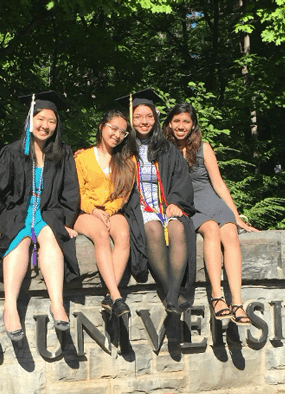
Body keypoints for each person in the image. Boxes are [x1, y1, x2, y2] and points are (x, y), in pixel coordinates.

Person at [0, 91, 80, 341]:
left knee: (51, 237)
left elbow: (70, 189)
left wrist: (67, 222)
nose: (45, 126)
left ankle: (57, 304)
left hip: (48, 212)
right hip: (16, 211)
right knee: (19, 241)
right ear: (30, 119)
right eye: (40, 119)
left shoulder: (63, 153)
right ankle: (10, 307)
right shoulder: (12, 152)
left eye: (51, 121)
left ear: (57, 126)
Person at [163, 102, 259, 325]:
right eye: (176, 120)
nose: (181, 125)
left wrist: (235, 215)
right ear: (169, 123)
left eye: (186, 121)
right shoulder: (164, 149)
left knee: (231, 233)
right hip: (187, 201)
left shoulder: (204, 148)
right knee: (211, 229)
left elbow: (218, 183)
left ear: (193, 124)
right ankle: (217, 297)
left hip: (210, 198)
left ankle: (237, 302)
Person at [118, 89, 197, 315]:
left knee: (177, 227)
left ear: (156, 118)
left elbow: (180, 180)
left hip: (164, 204)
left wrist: (176, 202)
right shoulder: (123, 149)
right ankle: (172, 292)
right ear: (131, 120)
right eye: (138, 117)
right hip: (138, 207)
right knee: (151, 227)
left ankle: (171, 296)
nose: (144, 121)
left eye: (149, 116)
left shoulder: (167, 149)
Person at [73, 109, 135, 317]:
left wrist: (107, 211)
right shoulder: (82, 157)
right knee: (100, 234)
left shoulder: (127, 162)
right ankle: (117, 297)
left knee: (124, 235)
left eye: (123, 132)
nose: (117, 135)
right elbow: (77, 190)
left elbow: (123, 194)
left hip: (111, 210)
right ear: (102, 127)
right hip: (83, 211)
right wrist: (93, 210)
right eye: (113, 128)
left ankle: (110, 296)